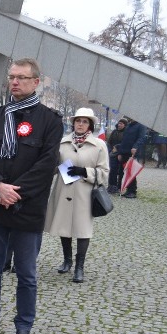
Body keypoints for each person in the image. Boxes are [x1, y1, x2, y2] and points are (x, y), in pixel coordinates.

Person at [0, 58, 63, 334]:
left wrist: (15, 192)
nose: (14, 82)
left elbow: (47, 164)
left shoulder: (50, 121)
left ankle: (23, 327)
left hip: (27, 208)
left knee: (26, 273)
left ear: (36, 82)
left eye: (22, 78)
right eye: (12, 77)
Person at [44, 108, 110, 283]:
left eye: (85, 121)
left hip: (84, 193)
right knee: (64, 226)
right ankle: (67, 260)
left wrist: (85, 171)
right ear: (73, 123)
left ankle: (79, 267)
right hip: (64, 189)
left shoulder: (99, 145)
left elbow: (104, 173)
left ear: (90, 125)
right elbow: (52, 164)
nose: (80, 124)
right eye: (78, 120)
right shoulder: (62, 142)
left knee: (82, 229)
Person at [118, 119, 147, 198]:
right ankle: (128, 189)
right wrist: (120, 152)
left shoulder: (141, 125)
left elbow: (141, 138)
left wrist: (135, 147)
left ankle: (132, 191)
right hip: (124, 151)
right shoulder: (129, 126)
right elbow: (123, 140)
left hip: (132, 152)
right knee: (125, 172)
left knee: (131, 172)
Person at [106, 118, 127, 194]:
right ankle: (111, 185)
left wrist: (118, 149)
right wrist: (110, 150)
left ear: (124, 125)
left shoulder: (126, 132)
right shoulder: (114, 132)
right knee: (112, 170)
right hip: (113, 154)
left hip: (121, 154)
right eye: (119, 123)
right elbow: (109, 142)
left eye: (121, 123)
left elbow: (126, 143)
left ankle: (119, 186)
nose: (119, 125)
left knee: (120, 171)